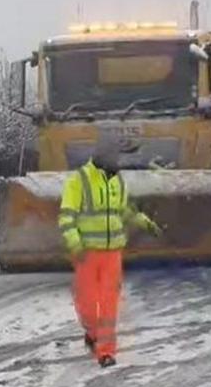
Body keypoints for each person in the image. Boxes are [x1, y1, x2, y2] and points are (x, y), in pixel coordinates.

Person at [58, 135, 162, 368]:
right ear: (102, 156)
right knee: (87, 301)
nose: (119, 162)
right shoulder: (79, 181)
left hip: (112, 252)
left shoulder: (118, 182)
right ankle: (91, 332)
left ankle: (106, 351)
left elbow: (123, 210)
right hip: (85, 252)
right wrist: (75, 244)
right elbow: (67, 216)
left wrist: (143, 222)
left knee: (108, 302)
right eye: (115, 157)